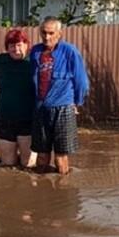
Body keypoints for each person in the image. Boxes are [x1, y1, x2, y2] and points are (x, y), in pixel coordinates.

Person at [29, 17, 89, 175]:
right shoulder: (35, 52)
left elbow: (81, 81)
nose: (47, 37)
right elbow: (32, 80)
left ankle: (62, 192)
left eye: (51, 33)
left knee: (61, 157)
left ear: (59, 34)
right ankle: (41, 192)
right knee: (41, 155)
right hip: (41, 109)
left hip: (63, 108)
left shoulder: (70, 51)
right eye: (44, 32)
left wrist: (77, 103)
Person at [0, 28, 34, 168]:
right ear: (7, 47)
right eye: (12, 45)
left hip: (28, 119)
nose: (16, 49)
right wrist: (1, 85)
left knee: (28, 164)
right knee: (7, 164)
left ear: (26, 45)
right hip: (5, 118)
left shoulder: (33, 60)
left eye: (19, 45)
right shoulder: (1, 60)